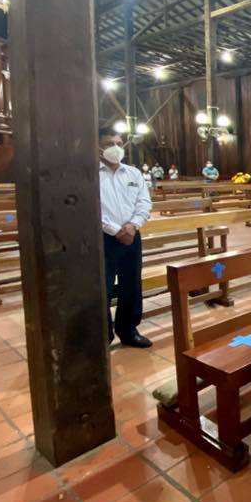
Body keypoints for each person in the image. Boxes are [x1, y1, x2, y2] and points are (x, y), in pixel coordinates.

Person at [99, 129, 153, 348]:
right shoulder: (90, 174)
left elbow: (144, 202)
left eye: (119, 143)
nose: (115, 147)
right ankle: (103, 334)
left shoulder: (133, 173)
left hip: (132, 236)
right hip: (103, 237)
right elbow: (91, 207)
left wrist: (133, 226)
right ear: (98, 147)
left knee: (131, 283)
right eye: (109, 143)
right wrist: (115, 230)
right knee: (102, 286)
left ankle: (128, 330)